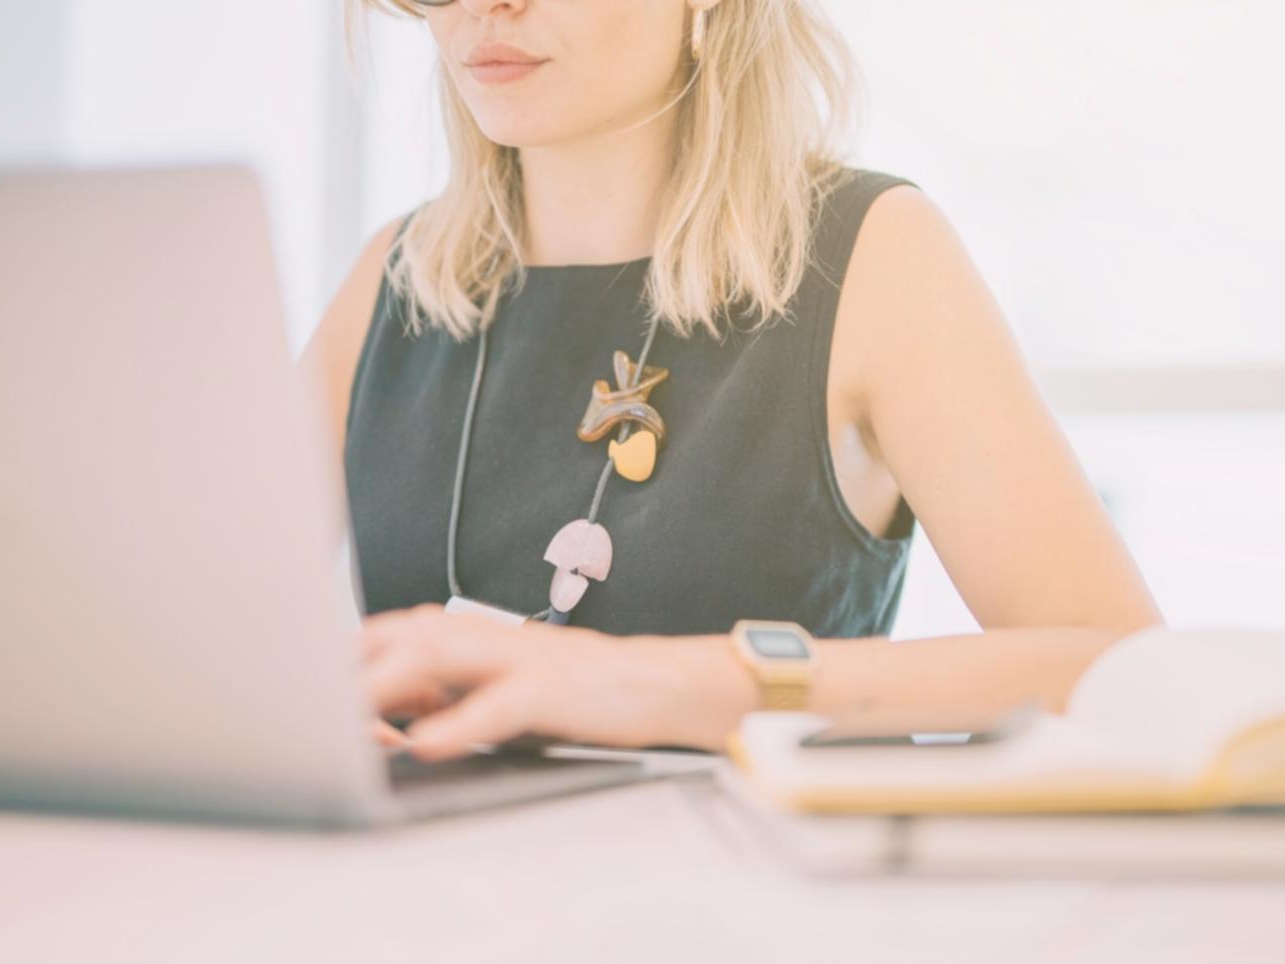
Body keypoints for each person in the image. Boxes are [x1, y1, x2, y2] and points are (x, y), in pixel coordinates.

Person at [303, 0, 1163, 760]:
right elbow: (192, 624)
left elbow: (1120, 670)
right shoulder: (394, 278)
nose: (486, 7)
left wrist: (656, 683)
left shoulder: (872, 257)